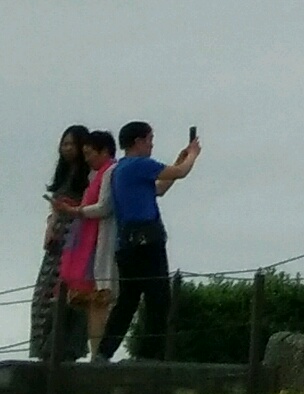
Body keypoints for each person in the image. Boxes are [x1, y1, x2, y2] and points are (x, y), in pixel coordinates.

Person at [97, 121, 200, 361]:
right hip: (147, 242)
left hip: (127, 244)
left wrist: (178, 160)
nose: (152, 144)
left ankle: (104, 351)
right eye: (149, 139)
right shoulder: (140, 164)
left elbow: (160, 188)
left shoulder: (121, 170)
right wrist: (192, 155)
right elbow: (181, 173)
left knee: (128, 300)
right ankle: (151, 355)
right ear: (138, 141)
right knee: (158, 300)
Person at [30, 127, 90, 362]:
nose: (66, 149)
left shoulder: (87, 177)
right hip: (57, 237)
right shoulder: (64, 174)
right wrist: (50, 225)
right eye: (64, 144)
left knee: (65, 294)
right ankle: (43, 347)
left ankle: (64, 348)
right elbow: (54, 207)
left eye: (71, 144)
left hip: (75, 237)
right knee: (43, 296)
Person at [57, 130, 118, 360]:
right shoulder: (95, 175)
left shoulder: (110, 172)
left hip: (100, 241)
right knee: (94, 300)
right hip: (90, 240)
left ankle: (98, 353)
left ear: (104, 151)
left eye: (90, 153)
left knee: (100, 298)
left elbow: (104, 207)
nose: (87, 158)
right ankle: (96, 351)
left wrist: (74, 211)